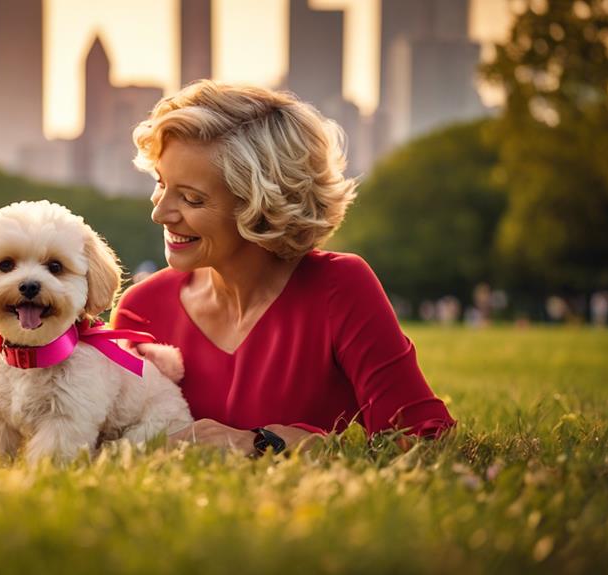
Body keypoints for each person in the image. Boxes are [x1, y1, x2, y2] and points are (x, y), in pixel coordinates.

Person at [111, 81, 455, 456]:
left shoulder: (339, 287)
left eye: (192, 198)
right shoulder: (140, 309)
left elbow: (425, 439)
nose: (159, 212)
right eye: (161, 184)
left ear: (261, 203)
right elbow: (109, 446)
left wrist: (266, 442)